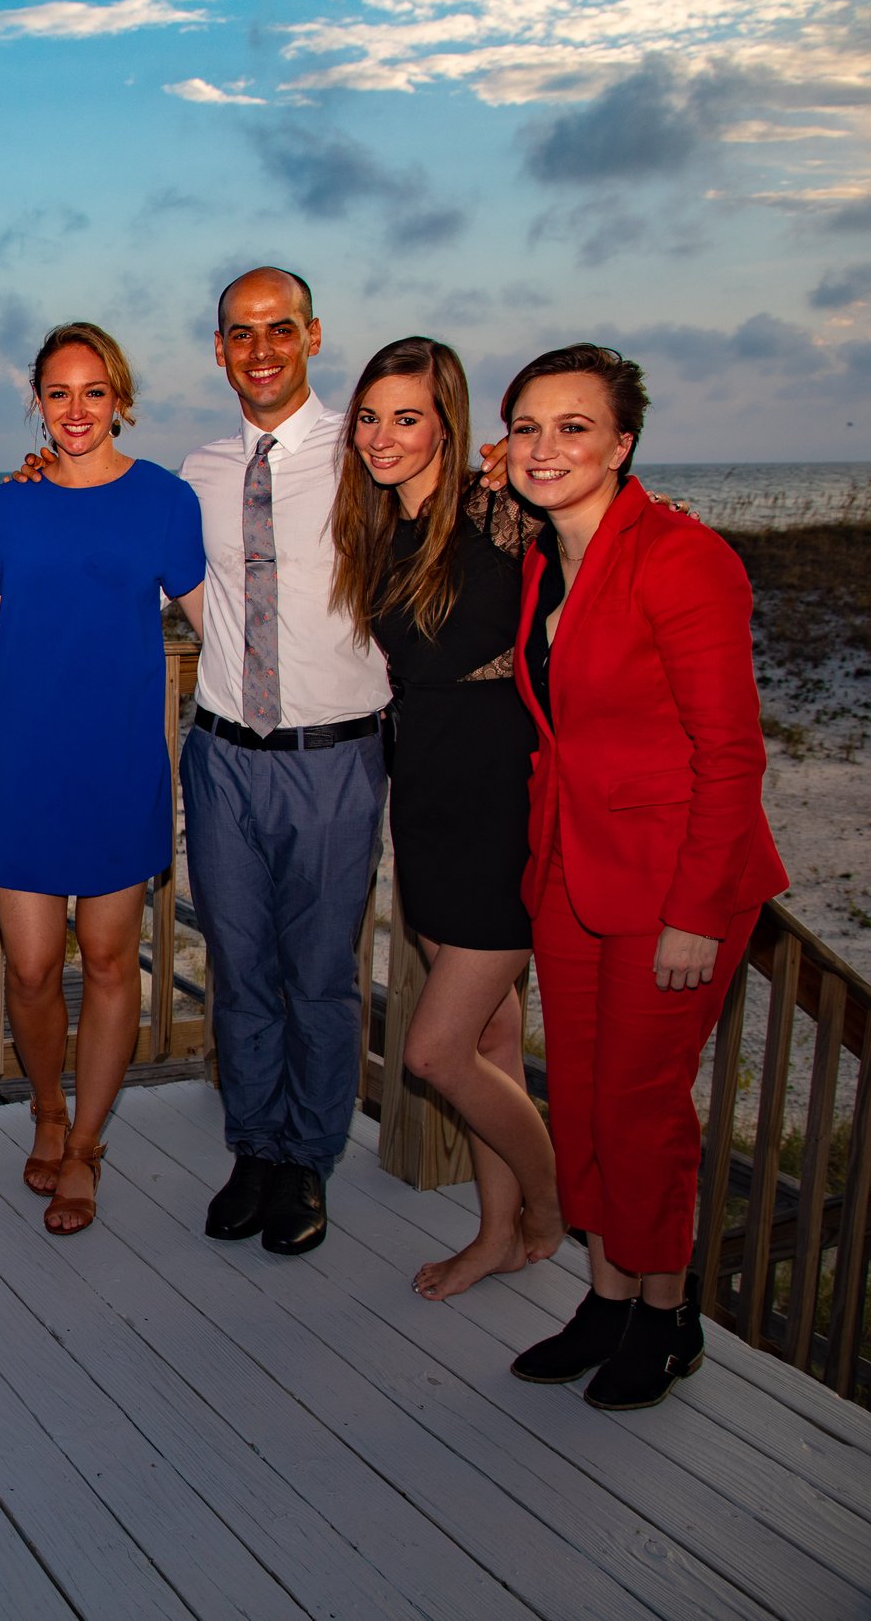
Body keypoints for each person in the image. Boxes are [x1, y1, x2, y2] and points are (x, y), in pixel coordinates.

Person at [501, 344, 785, 1411]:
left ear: (622, 443)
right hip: (573, 871)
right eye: (527, 426)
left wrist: (697, 914)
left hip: (674, 887)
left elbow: (731, 755)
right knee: (576, 1099)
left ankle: (668, 1318)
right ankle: (607, 1296)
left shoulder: (681, 559)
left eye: (573, 426)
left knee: (641, 1108)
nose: (545, 446)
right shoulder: (543, 560)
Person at [0, 322, 205, 1235]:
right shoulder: (10, 505)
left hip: (119, 760)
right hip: (26, 762)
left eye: (92, 391)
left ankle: (87, 1143)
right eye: (58, 393)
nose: (75, 409)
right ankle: (46, 1108)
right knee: (28, 966)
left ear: (120, 398)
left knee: (107, 962)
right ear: (38, 402)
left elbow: (221, 621)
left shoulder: (168, 501)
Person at [330, 336, 563, 1299]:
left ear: (448, 423)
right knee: (495, 1039)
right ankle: (497, 1229)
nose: (382, 436)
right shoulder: (380, 522)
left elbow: (598, 527)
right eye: (371, 416)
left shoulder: (501, 511)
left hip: (502, 799)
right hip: (422, 792)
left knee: (432, 1051)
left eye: (408, 417)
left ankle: (549, 1213)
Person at [175, 268, 390, 1258]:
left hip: (333, 760)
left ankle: (307, 1159)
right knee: (240, 965)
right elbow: (188, 587)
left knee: (319, 974)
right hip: (221, 754)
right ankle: (253, 1146)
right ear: (217, 349)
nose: (259, 348)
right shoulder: (201, 469)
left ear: (311, 334)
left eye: (277, 328)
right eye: (238, 332)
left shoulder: (369, 451)